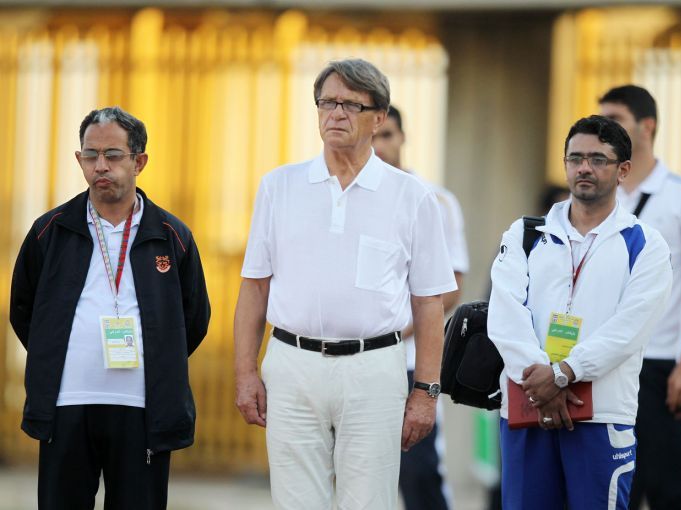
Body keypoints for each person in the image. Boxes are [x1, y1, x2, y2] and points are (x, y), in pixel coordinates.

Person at [233, 59, 457, 509]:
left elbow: (429, 301)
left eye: (350, 105)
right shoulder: (279, 187)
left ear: (379, 117)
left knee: (369, 502)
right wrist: (245, 373)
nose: (335, 113)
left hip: (374, 370)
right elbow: (254, 287)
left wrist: (425, 392)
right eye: (327, 103)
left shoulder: (412, 197)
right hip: (292, 365)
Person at [9, 106, 211, 509]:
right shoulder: (51, 230)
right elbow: (23, 308)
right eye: (90, 155)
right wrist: (55, 353)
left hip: (142, 408)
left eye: (113, 155)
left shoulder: (171, 235)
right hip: (67, 404)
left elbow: (194, 318)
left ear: (139, 161)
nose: (100, 165)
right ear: (80, 159)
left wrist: (159, 357)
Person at [488, 115, 673, 510]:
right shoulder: (526, 233)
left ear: (623, 170)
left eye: (598, 159)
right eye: (575, 158)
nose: (584, 168)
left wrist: (564, 373)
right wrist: (542, 382)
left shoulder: (645, 244)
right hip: (527, 406)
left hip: (601, 414)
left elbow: (630, 328)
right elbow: (504, 315)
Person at [599, 85, 681, 510]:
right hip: (603, 361)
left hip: (660, 363)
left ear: (647, 127)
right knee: (612, 488)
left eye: (615, 118)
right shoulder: (597, 193)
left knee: (668, 487)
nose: (605, 128)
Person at [372, 105, 468, 510]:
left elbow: (453, 284)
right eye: (371, 137)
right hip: (357, 362)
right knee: (360, 474)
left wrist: (400, 328)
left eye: (386, 135)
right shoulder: (345, 199)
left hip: (411, 358)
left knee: (419, 472)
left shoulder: (435, 200)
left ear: (403, 137)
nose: (378, 146)